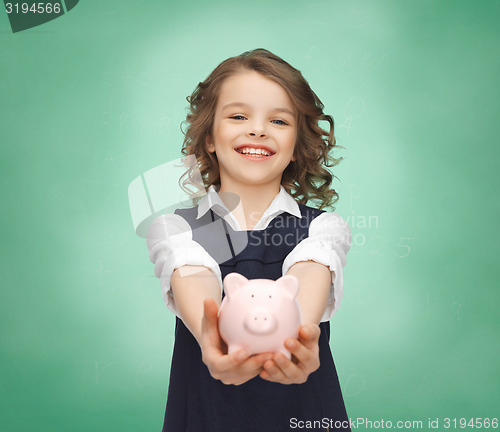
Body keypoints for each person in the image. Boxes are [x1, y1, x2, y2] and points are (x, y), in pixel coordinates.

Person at [146, 48, 352, 431]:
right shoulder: (175, 229)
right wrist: (214, 340)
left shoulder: (324, 229)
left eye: (278, 120)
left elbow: (308, 272)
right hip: (208, 417)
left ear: (295, 146)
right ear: (209, 137)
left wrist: (294, 343)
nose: (257, 129)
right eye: (238, 116)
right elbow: (194, 273)